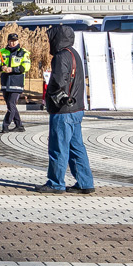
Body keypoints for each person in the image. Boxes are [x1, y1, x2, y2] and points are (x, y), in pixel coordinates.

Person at [35, 24, 95, 194]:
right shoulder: (74, 53)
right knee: (76, 147)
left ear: (57, 39)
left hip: (63, 111)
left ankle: (55, 183)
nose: (49, 42)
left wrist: (52, 94)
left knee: (58, 147)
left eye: (50, 38)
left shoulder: (61, 56)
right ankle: (85, 182)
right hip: (77, 108)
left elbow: (60, 82)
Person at [0, 32, 31, 134]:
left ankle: (5, 126)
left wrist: (12, 69)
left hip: (17, 83)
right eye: (11, 41)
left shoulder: (23, 53)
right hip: (5, 83)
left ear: (18, 41)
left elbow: (26, 67)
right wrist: (1, 67)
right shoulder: (2, 52)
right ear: (8, 41)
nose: (13, 43)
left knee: (11, 104)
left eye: (15, 41)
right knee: (11, 106)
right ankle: (19, 126)